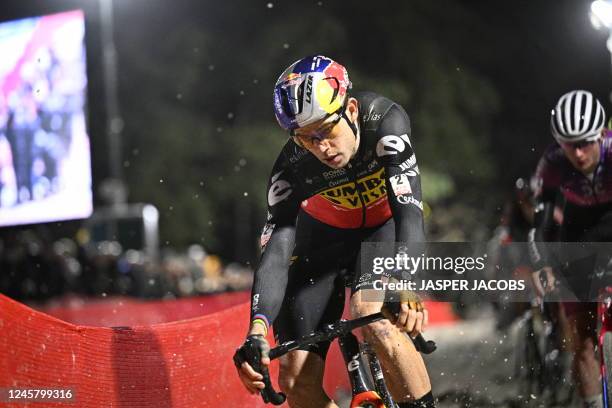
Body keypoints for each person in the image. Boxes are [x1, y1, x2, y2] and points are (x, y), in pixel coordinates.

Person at [233, 55, 434, 407]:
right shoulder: (290, 168)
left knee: (371, 316)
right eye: (306, 139)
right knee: (294, 381)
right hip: (322, 244)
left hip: (381, 233)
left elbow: (409, 213)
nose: (321, 148)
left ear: (352, 110)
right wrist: (256, 330)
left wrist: (404, 279)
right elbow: (277, 253)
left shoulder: (385, 124)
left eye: (325, 131)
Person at [529, 90, 612, 408]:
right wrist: (542, 264)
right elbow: (541, 225)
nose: (578, 154)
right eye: (568, 145)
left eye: (586, 143)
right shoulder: (551, 163)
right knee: (581, 338)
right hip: (578, 237)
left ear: (601, 134)